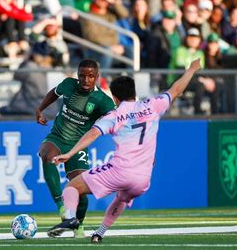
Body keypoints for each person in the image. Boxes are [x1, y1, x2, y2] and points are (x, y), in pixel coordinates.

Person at [47, 58, 202, 242]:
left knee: (72, 187)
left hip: (120, 171)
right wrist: (191, 69)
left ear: (115, 98)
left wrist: (70, 153)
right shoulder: (153, 105)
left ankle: (71, 218)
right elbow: (176, 89)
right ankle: (100, 233)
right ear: (134, 94)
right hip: (143, 180)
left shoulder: (115, 115)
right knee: (121, 198)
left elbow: (92, 134)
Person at [37, 59, 116, 238]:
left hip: (77, 145)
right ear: (77, 75)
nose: (86, 80)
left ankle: (78, 224)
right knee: (47, 154)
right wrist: (40, 109)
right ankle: (62, 208)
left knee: (80, 190)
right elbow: (53, 93)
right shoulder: (68, 85)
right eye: (82, 76)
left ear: (97, 77)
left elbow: (118, 120)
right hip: (57, 137)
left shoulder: (102, 100)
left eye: (90, 76)